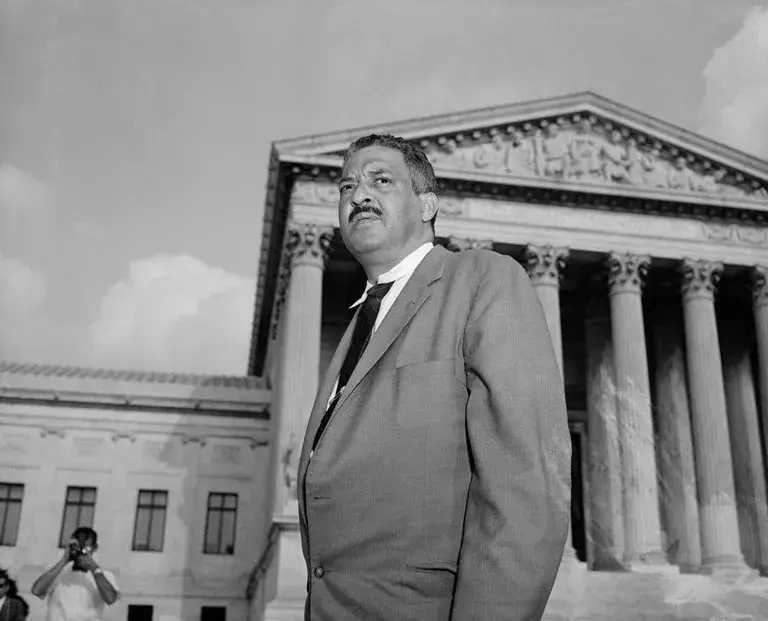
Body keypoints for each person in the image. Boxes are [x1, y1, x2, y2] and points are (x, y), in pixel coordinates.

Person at [296, 134, 571, 620]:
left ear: (427, 205)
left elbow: (524, 480)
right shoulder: (360, 324)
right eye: (346, 186)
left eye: (381, 179)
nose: (358, 194)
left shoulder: (482, 278)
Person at [31, 527, 119, 621]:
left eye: (85, 548)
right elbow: (37, 591)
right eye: (77, 547)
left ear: (94, 548)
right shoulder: (58, 574)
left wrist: (94, 568)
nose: (80, 552)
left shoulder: (104, 575)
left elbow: (110, 599)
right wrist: (64, 560)